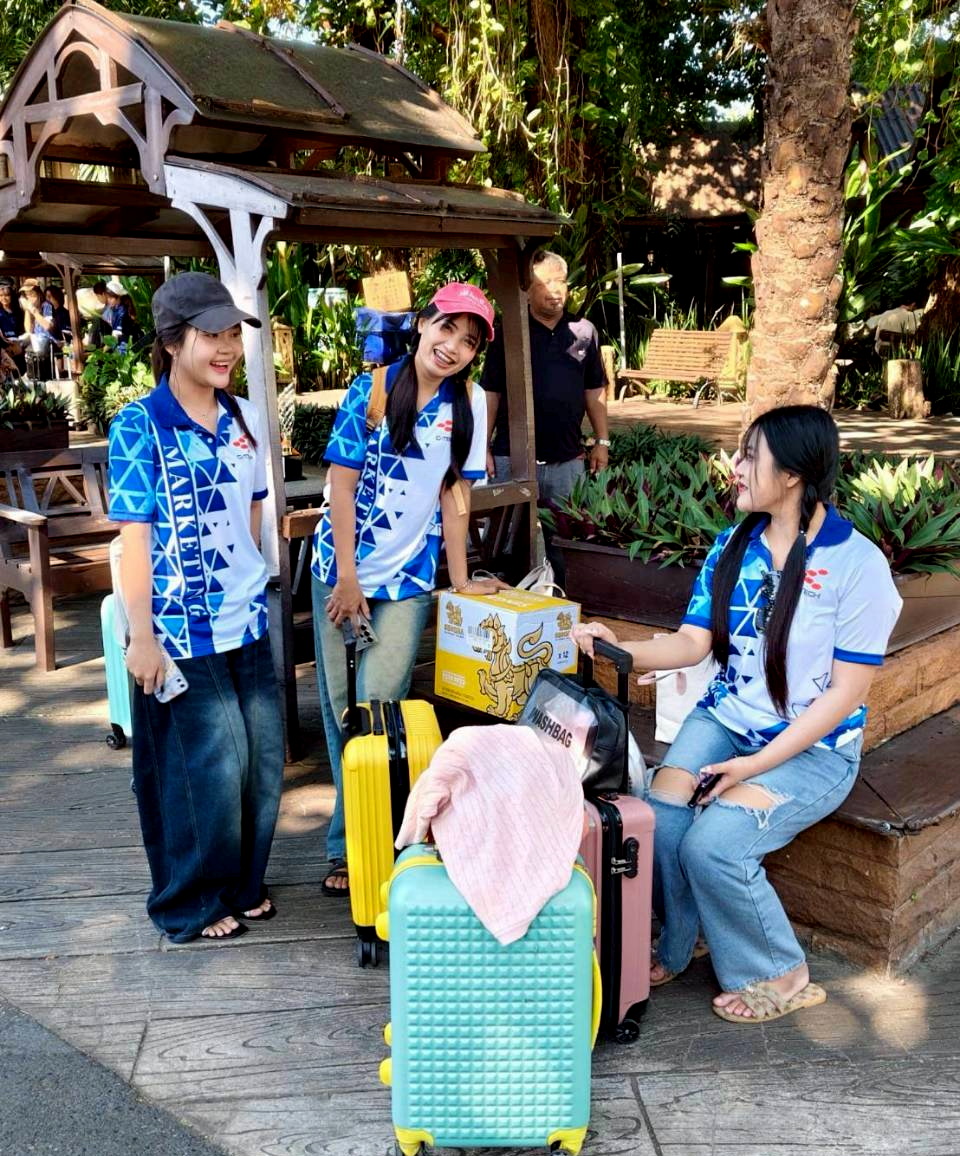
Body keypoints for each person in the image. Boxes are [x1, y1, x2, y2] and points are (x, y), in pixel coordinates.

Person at [573, 405, 902, 1025]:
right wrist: (617, 647)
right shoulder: (734, 545)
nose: (736, 467)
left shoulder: (858, 567)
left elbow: (843, 697)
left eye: (751, 456)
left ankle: (781, 971)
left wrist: (751, 766)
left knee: (715, 845)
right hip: (726, 720)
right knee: (662, 815)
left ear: (794, 474)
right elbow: (691, 643)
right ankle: (682, 940)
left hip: (815, 749)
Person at [106, 272, 283, 943]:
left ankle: (240, 884)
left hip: (247, 618)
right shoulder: (140, 424)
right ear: (173, 341)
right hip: (180, 630)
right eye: (212, 334)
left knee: (261, 765)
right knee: (207, 769)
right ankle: (189, 902)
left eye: (234, 332)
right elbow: (134, 538)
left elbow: (254, 509)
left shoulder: (243, 417)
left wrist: (255, 576)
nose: (227, 346)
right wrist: (141, 636)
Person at [312, 281, 501, 897]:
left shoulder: (467, 404)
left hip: (409, 579)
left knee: (378, 707)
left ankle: (374, 838)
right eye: (446, 329)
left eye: (468, 342)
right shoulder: (370, 390)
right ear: (423, 324)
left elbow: (455, 494)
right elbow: (341, 486)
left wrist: (461, 577)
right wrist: (347, 578)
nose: (453, 347)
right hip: (338, 570)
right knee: (341, 710)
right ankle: (349, 843)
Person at [480, 249, 610, 578]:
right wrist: (483, 445)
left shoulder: (583, 331)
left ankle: (566, 602)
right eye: (545, 282)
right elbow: (491, 392)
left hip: (567, 461)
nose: (555, 290)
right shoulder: (509, 331)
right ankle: (502, 604)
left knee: (569, 545)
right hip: (512, 458)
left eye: (561, 281)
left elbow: (594, 390)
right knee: (504, 546)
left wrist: (602, 442)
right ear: (526, 289)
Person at [102, 276, 140, 344]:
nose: (108, 300)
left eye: (111, 298)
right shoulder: (117, 308)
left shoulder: (121, 312)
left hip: (126, 345)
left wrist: (106, 347)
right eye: (107, 298)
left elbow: (115, 335)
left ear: (118, 297)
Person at [0, 277, 25, 372]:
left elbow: (22, 331)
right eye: (1, 296)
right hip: (5, 346)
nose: (3, 298)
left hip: (18, 344)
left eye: (6, 295)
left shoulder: (19, 312)